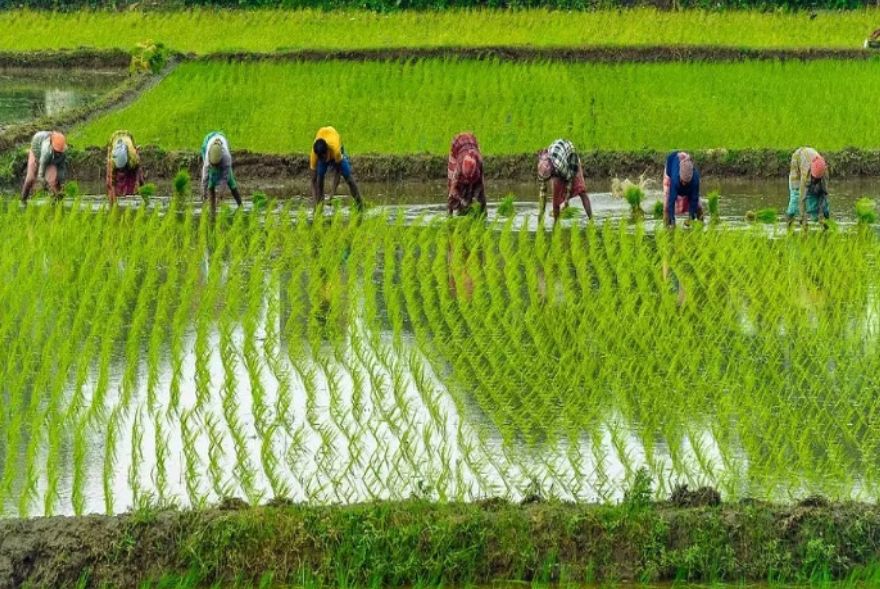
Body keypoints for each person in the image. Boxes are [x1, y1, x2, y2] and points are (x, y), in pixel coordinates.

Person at [537, 139, 593, 222]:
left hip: (570, 156)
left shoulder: (559, 166)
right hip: (558, 155)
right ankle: (556, 226)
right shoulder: (542, 168)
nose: (549, 180)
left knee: (581, 191)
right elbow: (543, 192)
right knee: (555, 201)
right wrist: (541, 214)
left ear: (552, 172)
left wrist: (566, 202)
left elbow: (569, 180)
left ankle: (591, 220)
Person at [310, 126, 363, 211]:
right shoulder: (314, 155)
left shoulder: (335, 150)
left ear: (327, 150)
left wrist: (332, 193)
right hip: (323, 139)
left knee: (349, 178)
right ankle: (319, 207)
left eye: (324, 157)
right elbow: (313, 181)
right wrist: (315, 203)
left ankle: (360, 205)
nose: (324, 160)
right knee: (319, 180)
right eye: (321, 159)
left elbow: (338, 172)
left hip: (334, 140)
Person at [787, 147, 829, 229]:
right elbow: (802, 198)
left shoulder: (824, 174)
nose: (815, 181)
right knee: (795, 194)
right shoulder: (805, 173)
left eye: (817, 179)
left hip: (812, 157)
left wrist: (823, 214)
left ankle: (823, 222)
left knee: (817, 195)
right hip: (798, 158)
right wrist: (803, 218)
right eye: (814, 179)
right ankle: (789, 219)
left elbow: (824, 194)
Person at [200, 131, 242, 213]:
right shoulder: (207, 160)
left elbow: (224, 179)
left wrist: (220, 194)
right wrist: (203, 194)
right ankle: (213, 210)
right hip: (209, 140)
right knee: (211, 181)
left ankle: (240, 206)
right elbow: (205, 178)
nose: (215, 168)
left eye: (216, 165)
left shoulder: (226, 158)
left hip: (222, 149)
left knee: (231, 180)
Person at [21, 130, 67, 203]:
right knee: (30, 178)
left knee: (53, 181)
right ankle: (23, 200)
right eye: (57, 151)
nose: (59, 154)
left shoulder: (62, 152)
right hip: (36, 151)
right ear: (52, 146)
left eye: (59, 152)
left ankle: (56, 202)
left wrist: (62, 182)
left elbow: (61, 169)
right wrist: (45, 185)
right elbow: (41, 174)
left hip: (51, 158)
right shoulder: (46, 151)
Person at [447, 132, 486, 216]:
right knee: (452, 184)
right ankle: (449, 212)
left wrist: (477, 198)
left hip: (472, 142)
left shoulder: (479, 161)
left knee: (479, 196)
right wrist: (461, 200)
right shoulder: (459, 166)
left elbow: (482, 184)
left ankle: (478, 212)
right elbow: (452, 189)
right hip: (458, 145)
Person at [663, 151, 703, 227]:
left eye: (686, 182)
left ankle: (701, 227)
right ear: (680, 177)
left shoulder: (695, 179)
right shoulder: (675, 179)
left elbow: (694, 199)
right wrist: (673, 220)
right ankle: (666, 228)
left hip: (689, 185)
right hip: (671, 169)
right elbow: (671, 201)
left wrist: (691, 218)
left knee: (699, 207)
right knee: (666, 207)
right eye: (683, 181)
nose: (684, 184)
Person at [106, 130, 144, 205]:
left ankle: (130, 195)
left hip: (129, 149)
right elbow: (110, 184)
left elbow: (140, 177)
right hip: (116, 143)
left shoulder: (133, 158)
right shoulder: (113, 160)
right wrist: (114, 204)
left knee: (132, 180)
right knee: (113, 186)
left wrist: (143, 193)